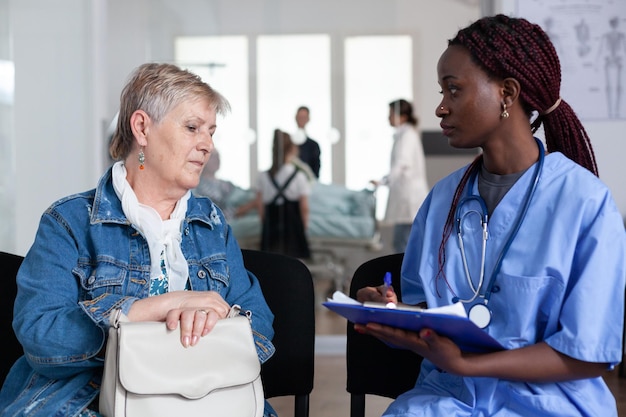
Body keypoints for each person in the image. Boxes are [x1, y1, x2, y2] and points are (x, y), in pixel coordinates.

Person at [355, 14, 626, 417]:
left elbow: (589, 354)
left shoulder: (584, 203)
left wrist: (468, 364)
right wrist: (386, 309)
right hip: (446, 400)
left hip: (548, 405)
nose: (440, 107)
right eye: (441, 90)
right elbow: (426, 316)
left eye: (454, 89)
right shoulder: (442, 200)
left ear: (507, 93)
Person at [0, 63, 277, 417]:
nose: (207, 145)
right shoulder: (67, 221)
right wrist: (149, 309)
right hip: (87, 396)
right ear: (142, 128)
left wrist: (215, 319)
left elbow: (260, 325)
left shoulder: (211, 222)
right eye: (192, 128)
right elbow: (41, 334)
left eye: (211, 132)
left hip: (206, 392)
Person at [241, 129, 311, 259]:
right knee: (294, 263)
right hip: (293, 226)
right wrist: (304, 226)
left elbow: (260, 206)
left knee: (271, 261)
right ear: (292, 150)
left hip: (271, 224)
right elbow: (304, 207)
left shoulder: (263, 176)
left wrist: (265, 222)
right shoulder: (299, 176)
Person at [371, 99, 429, 253]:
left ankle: (402, 276)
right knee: (402, 242)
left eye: (390, 114)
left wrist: (383, 181)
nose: (388, 118)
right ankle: (403, 275)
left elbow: (401, 164)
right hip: (406, 198)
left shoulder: (407, 136)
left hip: (408, 198)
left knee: (402, 243)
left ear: (402, 116)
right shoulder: (404, 134)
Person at [194, 147, 237, 220]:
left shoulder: (227, 185)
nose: (217, 160)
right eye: (213, 157)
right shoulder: (196, 184)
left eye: (218, 156)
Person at [292, 106, 321, 179]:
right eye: (300, 117)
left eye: (304, 117)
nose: (301, 120)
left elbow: (316, 171)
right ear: (295, 118)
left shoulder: (313, 145)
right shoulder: (288, 143)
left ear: (308, 119)